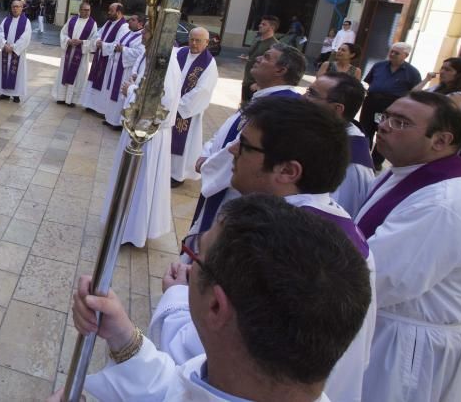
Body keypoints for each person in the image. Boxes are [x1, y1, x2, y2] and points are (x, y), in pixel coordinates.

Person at [151, 97, 377, 402]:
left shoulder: (277, 250)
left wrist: (177, 295)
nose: (231, 150)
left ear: (287, 170)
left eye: (244, 145)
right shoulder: (330, 230)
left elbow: (204, 351)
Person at [51, 194, 371, 402]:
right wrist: (125, 339)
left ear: (216, 306)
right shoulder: (237, 380)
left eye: (196, 255)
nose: (188, 268)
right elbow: (177, 392)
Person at [355, 91, 461, 402]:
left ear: (441, 140)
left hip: (406, 345)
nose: (384, 126)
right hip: (388, 326)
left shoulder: (441, 202)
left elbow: (383, 276)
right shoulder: (404, 172)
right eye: (386, 116)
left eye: (401, 122)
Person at [192, 43, 306, 232]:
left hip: (234, 190)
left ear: (281, 69)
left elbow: (245, 147)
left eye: (267, 57)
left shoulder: (281, 106)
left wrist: (207, 164)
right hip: (222, 179)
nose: (258, 58)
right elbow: (227, 129)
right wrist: (208, 152)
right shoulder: (265, 97)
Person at [101, 46, 182, 247]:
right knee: (130, 178)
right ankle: (122, 224)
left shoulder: (166, 59)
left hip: (149, 134)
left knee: (140, 181)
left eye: (148, 29)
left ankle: (133, 231)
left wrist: (130, 90)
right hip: (136, 128)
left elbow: (163, 101)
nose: (144, 34)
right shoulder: (151, 54)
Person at [304, 73, 375, 218]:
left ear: (337, 109)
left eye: (311, 94)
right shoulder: (320, 134)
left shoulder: (352, 163)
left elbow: (335, 217)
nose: (303, 97)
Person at [170, 27, 219, 188]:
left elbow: (203, 90)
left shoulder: (209, 64)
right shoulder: (181, 52)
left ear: (207, 42)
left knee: (183, 142)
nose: (194, 43)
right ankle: (164, 169)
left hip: (186, 112)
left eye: (198, 40)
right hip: (169, 106)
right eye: (192, 39)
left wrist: (178, 104)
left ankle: (177, 175)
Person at [360, 42, 422, 168]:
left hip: (391, 107)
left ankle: (376, 162)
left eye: (396, 53)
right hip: (372, 103)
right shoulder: (379, 66)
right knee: (365, 130)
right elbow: (368, 82)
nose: (392, 54)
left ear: (405, 55)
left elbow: (414, 93)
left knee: (385, 133)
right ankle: (363, 159)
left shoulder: (412, 73)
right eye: (391, 51)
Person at [417, 57, 461, 162]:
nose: (442, 72)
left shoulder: (458, 95)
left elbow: (440, 118)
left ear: (460, 74)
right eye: (442, 68)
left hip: (438, 139)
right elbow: (412, 95)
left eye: (448, 70)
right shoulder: (437, 88)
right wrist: (426, 79)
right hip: (427, 133)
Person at [80, 3, 128, 114]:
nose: (109, 12)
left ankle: (100, 109)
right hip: (99, 56)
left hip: (108, 60)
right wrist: (97, 41)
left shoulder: (123, 26)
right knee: (93, 80)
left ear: (119, 12)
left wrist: (103, 45)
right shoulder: (108, 23)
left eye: (111, 10)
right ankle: (90, 104)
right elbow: (98, 34)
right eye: (109, 10)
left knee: (104, 82)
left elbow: (118, 43)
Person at [52, 3, 99, 106]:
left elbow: (94, 40)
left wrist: (82, 42)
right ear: (80, 10)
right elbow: (63, 33)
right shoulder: (72, 20)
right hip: (68, 52)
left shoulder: (92, 24)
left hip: (81, 55)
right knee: (64, 72)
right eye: (85, 10)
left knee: (78, 76)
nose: (87, 12)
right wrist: (68, 41)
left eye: (89, 10)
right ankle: (61, 97)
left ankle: (72, 100)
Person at [103, 15, 145, 129]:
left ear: (140, 23)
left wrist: (123, 49)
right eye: (129, 19)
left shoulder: (142, 37)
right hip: (117, 67)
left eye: (133, 20)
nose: (129, 22)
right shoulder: (129, 33)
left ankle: (117, 122)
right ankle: (109, 118)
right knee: (113, 91)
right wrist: (117, 48)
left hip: (126, 70)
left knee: (121, 94)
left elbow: (140, 53)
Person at [0, 0, 32, 104]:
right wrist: (4, 44)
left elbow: (26, 37)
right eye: (13, 7)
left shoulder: (26, 22)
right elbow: (0, 32)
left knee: (18, 73)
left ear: (22, 8)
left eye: (17, 7)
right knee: (5, 70)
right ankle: (5, 93)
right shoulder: (6, 20)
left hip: (17, 53)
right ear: (11, 8)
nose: (15, 9)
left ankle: (16, 95)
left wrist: (14, 47)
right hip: (6, 50)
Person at [240, 14, 279, 104]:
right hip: (247, 80)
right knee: (243, 107)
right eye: (260, 23)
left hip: (256, 84)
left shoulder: (274, 45)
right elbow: (254, 56)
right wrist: (247, 58)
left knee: (252, 110)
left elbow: (273, 68)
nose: (260, 25)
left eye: (264, 24)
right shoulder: (257, 40)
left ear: (272, 27)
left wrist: (258, 84)